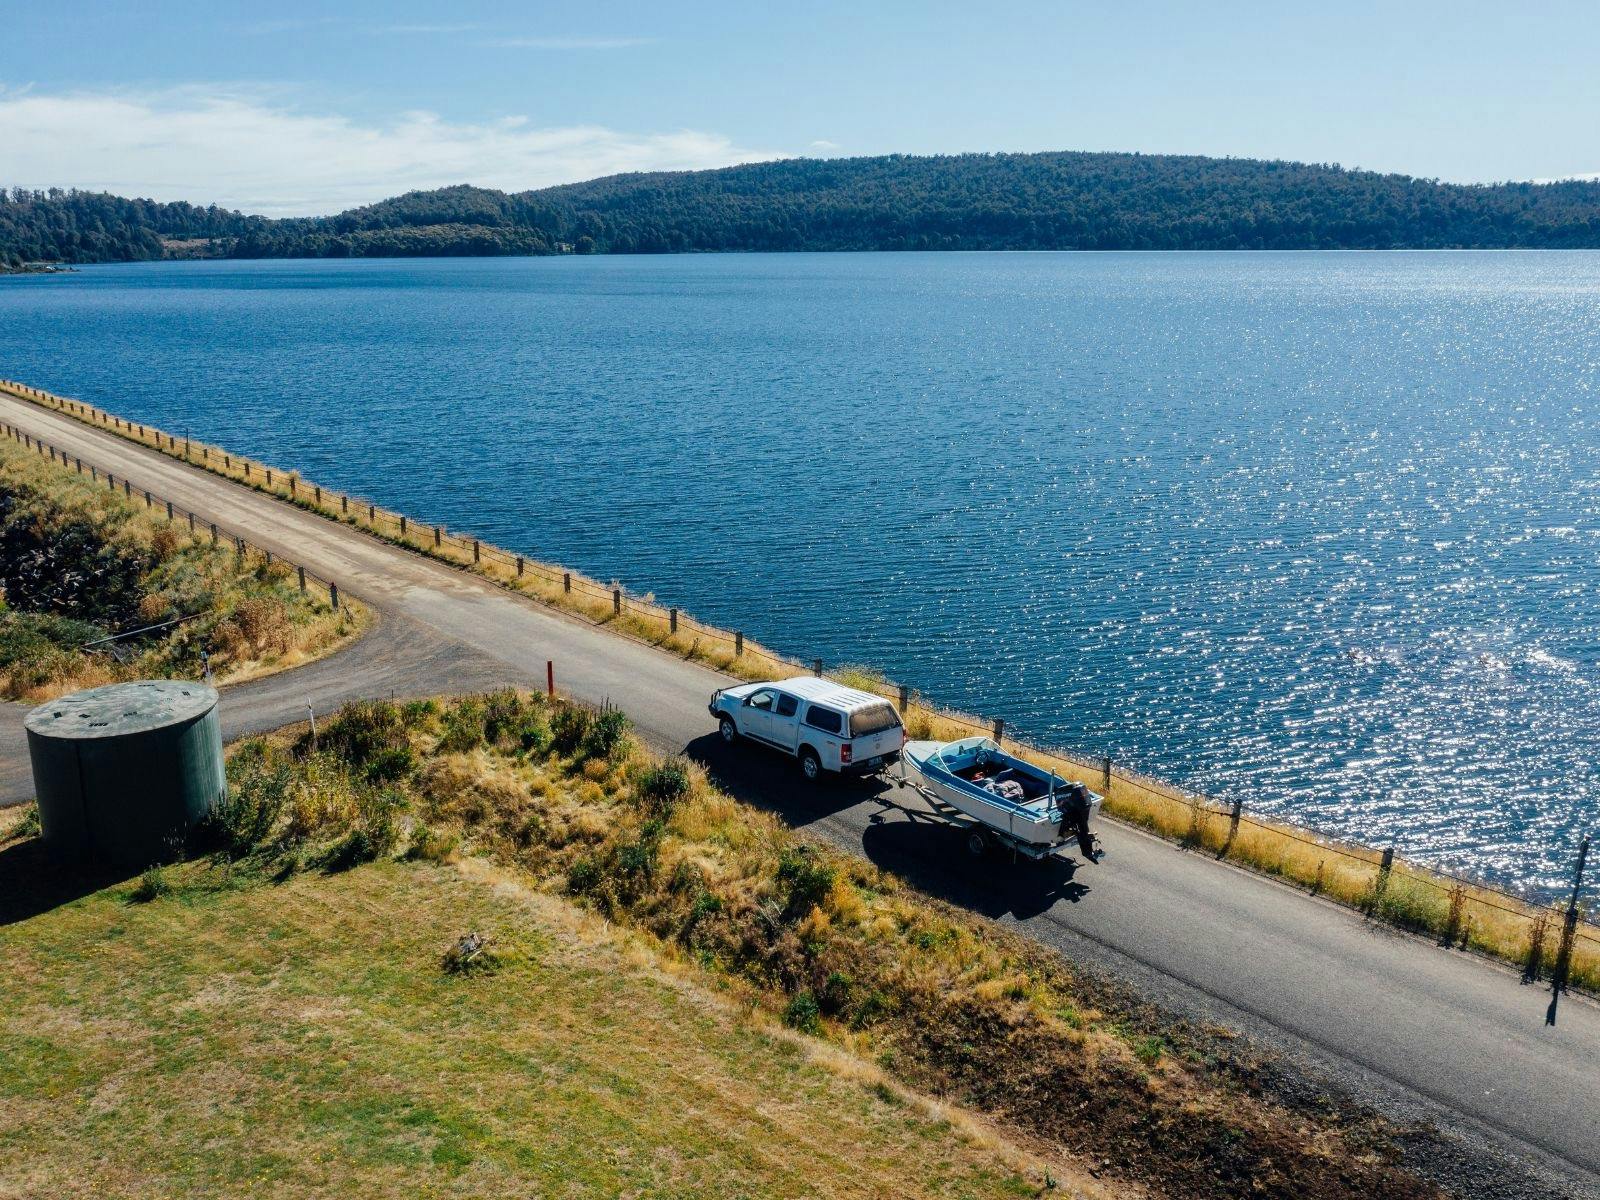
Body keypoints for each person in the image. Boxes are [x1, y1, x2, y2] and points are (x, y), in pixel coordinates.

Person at [1063, 782, 1097, 862]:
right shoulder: (1081, 799)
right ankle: (1087, 852)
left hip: (1079, 811)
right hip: (1083, 810)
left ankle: (1087, 852)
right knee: (1083, 830)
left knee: (1082, 831)